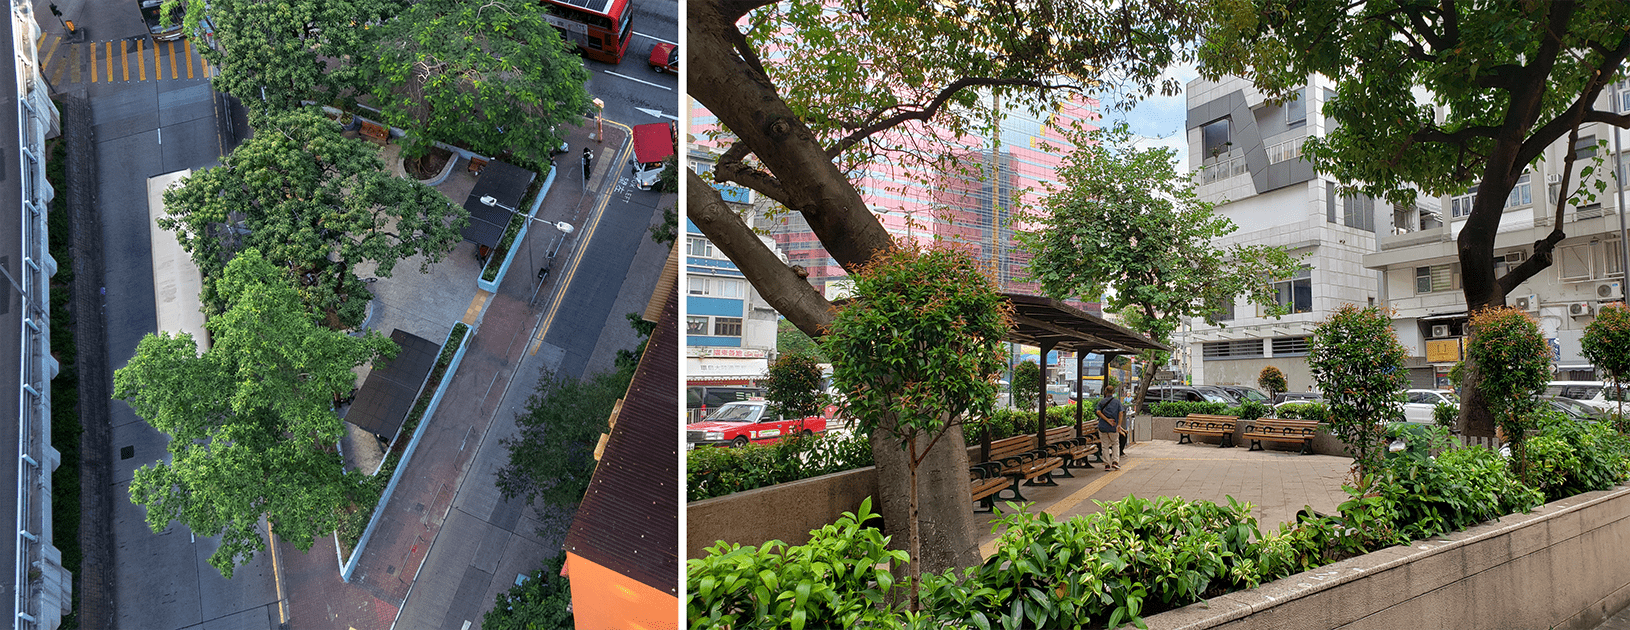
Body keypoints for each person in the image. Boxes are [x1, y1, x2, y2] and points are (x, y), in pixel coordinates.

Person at [1095, 383, 1124, 470]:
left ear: (1105, 392)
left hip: (1103, 426)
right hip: (1113, 426)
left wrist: (1106, 420)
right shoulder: (1117, 402)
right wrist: (1119, 424)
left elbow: (1098, 412)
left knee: (1105, 445)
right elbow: (1121, 413)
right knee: (1115, 443)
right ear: (1113, 392)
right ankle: (1115, 461)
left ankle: (1107, 464)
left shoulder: (1101, 402)